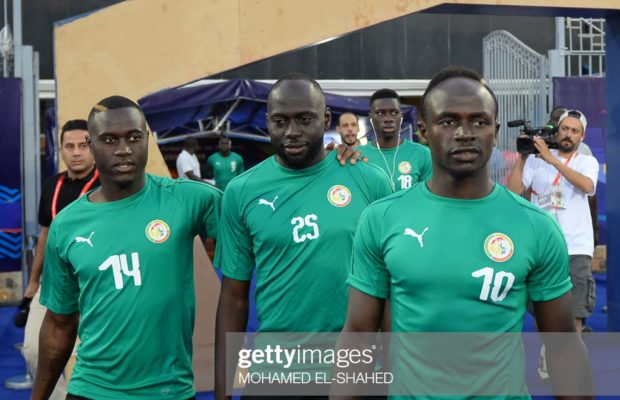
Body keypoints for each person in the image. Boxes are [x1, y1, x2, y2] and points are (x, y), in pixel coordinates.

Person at [338, 67, 591, 398]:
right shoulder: (382, 219)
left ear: (495, 131)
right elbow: (358, 335)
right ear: (425, 132)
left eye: (479, 121)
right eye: (448, 121)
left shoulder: (536, 226)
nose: (465, 132)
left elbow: (563, 349)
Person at [213, 73, 392, 400]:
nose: (292, 131)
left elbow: (392, 287)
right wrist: (224, 390)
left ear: (325, 119)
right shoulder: (241, 192)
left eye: (305, 119)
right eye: (280, 121)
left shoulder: (370, 180)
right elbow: (234, 297)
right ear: (267, 123)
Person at [32, 96, 222, 400]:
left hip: (167, 391)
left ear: (146, 140)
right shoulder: (66, 225)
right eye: (109, 140)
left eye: (133, 137)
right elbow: (58, 324)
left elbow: (263, 232)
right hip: (90, 390)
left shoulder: (190, 199)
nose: (123, 149)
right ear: (92, 146)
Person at [21, 119, 99, 400]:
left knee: (87, 358)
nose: (76, 152)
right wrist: (32, 282)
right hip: (53, 282)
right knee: (33, 349)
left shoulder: (108, 184)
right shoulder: (52, 184)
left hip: (95, 283)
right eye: (70, 146)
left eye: (83, 145)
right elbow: (45, 235)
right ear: (61, 150)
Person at [507, 109, 599, 335]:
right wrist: (523, 156)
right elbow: (513, 191)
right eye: (565, 128)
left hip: (576, 247)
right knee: (542, 311)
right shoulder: (536, 162)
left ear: (582, 136)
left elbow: (587, 186)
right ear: (557, 130)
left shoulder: (587, 161)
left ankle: (571, 362)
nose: (568, 134)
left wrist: (553, 161)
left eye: (574, 131)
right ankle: (549, 354)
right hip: (543, 248)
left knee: (575, 312)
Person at [357, 89, 432, 192]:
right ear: (371, 117)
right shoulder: (357, 156)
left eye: (394, 112)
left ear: (401, 116)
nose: (388, 118)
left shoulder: (423, 154)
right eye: (380, 113)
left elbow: (429, 200)